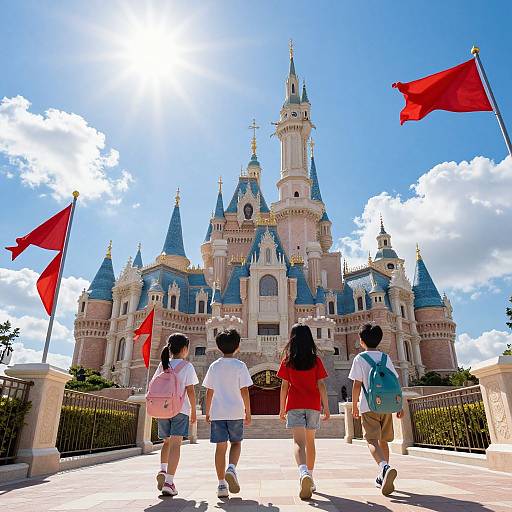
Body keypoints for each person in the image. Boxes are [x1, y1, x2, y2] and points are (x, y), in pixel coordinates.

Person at [349, 323, 404, 496]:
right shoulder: (386, 358)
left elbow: (356, 385)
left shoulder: (360, 358)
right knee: (384, 441)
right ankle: (383, 475)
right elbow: (395, 382)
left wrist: (355, 405)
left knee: (372, 440)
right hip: (387, 406)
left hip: (369, 405)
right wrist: (399, 404)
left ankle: (384, 467)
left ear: (361, 341)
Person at [277, 323, 330, 500]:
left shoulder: (287, 361)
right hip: (313, 404)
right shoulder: (316, 360)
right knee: (311, 442)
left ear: (292, 339)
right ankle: (311, 477)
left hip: (294, 404)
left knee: (298, 443)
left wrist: (281, 408)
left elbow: (284, 386)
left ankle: (303, 473)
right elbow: (321, 384)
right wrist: (327, 408)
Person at [203, 329, 253, 498]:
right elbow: (245, 391)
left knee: (220, 447)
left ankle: (221, 485)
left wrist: (208, 412)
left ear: (218, 347)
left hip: (218, 413)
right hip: (236, 412)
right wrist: (248, 412)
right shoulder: (240, 366)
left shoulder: (214, 366)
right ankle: (231, 468)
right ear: (238, 346)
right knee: (236, 443)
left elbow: (209, 391)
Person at [153, 333, 198, 496]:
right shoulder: (187, 366)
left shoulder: (163, 365)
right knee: (176, 445)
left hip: (163, 409)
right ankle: (169, 482)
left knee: (166, 443)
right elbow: (191, 390)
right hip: (180, 410)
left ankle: (163, 470)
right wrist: (193, 410)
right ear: (185, 349)